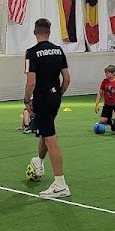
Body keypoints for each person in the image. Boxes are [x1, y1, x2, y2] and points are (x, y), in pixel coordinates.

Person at [25, 17, 71, 199]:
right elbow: (67, 78)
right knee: (45, 133)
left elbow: (31, 81)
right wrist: (59, 94)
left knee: (51, 141)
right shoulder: (59, 51)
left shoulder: (32, 52)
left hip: (42, 99)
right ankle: (39, 162)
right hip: (55, 98)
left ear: (35, 32)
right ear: (49, 32)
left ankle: (60, 184)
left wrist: (26, 100)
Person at [94, 64, 115, 134]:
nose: (105, 74)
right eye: (105, 73)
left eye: (107, 73)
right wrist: (97, 104)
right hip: (107, 104)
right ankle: (112, 122)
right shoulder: (104, 81)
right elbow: (100, 93)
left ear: (113, 73)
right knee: (103, 121)